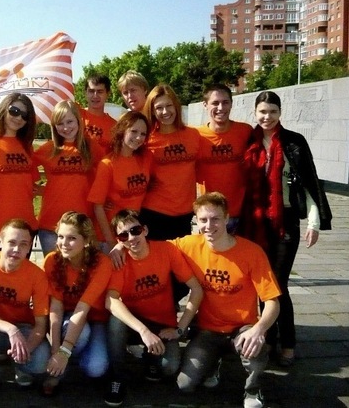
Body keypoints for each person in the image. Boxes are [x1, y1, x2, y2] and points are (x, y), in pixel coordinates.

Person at [241, 91, 332, 367]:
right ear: (255, 113)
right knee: (262, 285)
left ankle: (288, 342)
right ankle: (269, 338)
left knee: (278, 285)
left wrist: (314, 223)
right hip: (255, 222)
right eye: (262, 112)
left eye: (272, 112)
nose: (267, 117)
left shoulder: (294, 142)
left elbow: (309, 183)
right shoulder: (249, 141)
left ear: (280, 113)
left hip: (286, 221)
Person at [172, 192, 281, 408]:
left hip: (243, 327)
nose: (209, 226)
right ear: (196, 221)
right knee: (185, 385)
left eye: (215, 219)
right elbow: (153, 248)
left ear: (227, 218)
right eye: (203, 220)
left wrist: (259, 330)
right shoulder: (189, 245)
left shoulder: (251, 252)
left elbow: (272, 302)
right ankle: (214, 362)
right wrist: (120, 245)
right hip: (208, 329)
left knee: (255, 348)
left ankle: (252, 389)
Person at [104, 209, 203, 407]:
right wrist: (143, 331)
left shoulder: (166, 250)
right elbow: (111, 301)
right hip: (135, 324)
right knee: (115, 321)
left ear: (145, 230)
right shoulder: (119, 260)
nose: (131, 238)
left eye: (135, 231)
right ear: (119, 240)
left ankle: (151, 359)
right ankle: (117, 377)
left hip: (162, 324)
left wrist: (180, 329)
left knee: (169, 368)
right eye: (124, 235)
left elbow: (196, 289)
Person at [0, 219, 50, 400]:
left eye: (23, 244)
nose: (16, 249)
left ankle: (20, 367)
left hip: (24, 327)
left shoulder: (37, 275)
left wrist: (25, 349)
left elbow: (40, 324)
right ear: (0, 242)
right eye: (11, 242)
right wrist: (11, 329)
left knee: (41, 362)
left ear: (29, 248)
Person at [42, 211, 113, 396]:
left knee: (96, 368)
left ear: (86, 240)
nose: (64, 243)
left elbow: (83, 307)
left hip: (95, 318)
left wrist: (64, 351)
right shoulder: (52, 260)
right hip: (67, 318)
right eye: (60, 237)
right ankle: (61, 367)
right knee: (81, 333)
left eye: (72, 238)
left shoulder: (102, 263)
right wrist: (56, 350)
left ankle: (69, 357)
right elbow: (55, 307)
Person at [34, 101, 105, 254]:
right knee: (54, 268)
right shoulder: (48, 149)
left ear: (78, 120)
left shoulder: (91, 147)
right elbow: (23, 169)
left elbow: (109, 172)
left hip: (82, 224)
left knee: (81, 268)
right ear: (54, 126)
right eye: (60, 123)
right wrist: (39, 189)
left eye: (70, 121)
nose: (65, 127)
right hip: (51, 224)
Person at [0, 93, 39, 251]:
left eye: (24, 115)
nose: (18, 118)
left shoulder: (27, 147)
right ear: (4, 109)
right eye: (14, 111)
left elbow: (31, 186)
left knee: (22, 267)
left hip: (26, 225)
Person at [87, 111, 154, 253]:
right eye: (134, 131)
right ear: (122, 130)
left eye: (143, 134)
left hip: (133, 234)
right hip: (110, 238)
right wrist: (112, 242)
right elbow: (98, 206)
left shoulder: (146, 158)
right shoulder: (108, 164)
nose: (138, 137)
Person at [140, 83, 200, 240]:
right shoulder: (146, 139)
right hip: (154, 212)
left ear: (176, 106)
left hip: (185, 214)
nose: (165, 112)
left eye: (169, 105)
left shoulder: (193, 135)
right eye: (159, 108)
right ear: (152, 111)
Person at [195, 83, 252, 233]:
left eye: (225, 102)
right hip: (211, 216)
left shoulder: (245, 131)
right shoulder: (196, 136)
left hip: (243, 214)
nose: (220, 108)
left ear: (231, 104)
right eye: (215, 103)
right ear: (205, 105)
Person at [80, 74, 117, 153]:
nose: (95, 96)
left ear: (108, 94)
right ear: (85, 93)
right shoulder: (75, 117)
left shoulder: (114, 126)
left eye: (100, 92)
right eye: (91, 91)